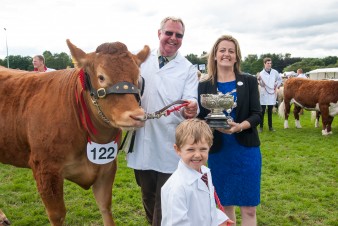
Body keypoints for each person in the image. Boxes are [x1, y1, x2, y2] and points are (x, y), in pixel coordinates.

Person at [127, 16, 199, 226]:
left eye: (179, 35)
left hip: (169, 141)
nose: (173, 38)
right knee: (147, 195)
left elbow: (191, 98)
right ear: (159, 33)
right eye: (169, 33)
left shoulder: (187, 68)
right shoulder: (140, 60)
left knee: (165, 198)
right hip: (142, 138)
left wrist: (191, 107)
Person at [198, 35, 262, 225]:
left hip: (246, 151)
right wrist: (211, 124)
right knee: (224, 208)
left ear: (236, 57)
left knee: (249, 208)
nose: (227, 54)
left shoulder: (249, 81)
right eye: (222, 50)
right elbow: (201, 117)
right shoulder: (204, 85)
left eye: (231, 51)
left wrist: (239, 127)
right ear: (215, 56)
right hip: (219, 152)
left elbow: (257, 114)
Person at [161, 119, 233, 226]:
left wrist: (218, 220)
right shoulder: (177, 187)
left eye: (203, 149)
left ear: (210, 147)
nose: (198, 155)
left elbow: (208, 205)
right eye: (191, 149)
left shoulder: (204, 172)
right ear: (178, 150)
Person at [257, 57, 282, 132]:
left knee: (270, 111)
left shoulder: (275, 72)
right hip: (264, 93)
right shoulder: (261, 73)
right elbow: (261, 85)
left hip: (271, 93)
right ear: (264, 64)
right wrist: (259, 80)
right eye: (268, 63)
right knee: (262, 111)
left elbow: (279, 79)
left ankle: (270, 127)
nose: (269, 65)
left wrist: (276, 84)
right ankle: (261, 126)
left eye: (270, 63)